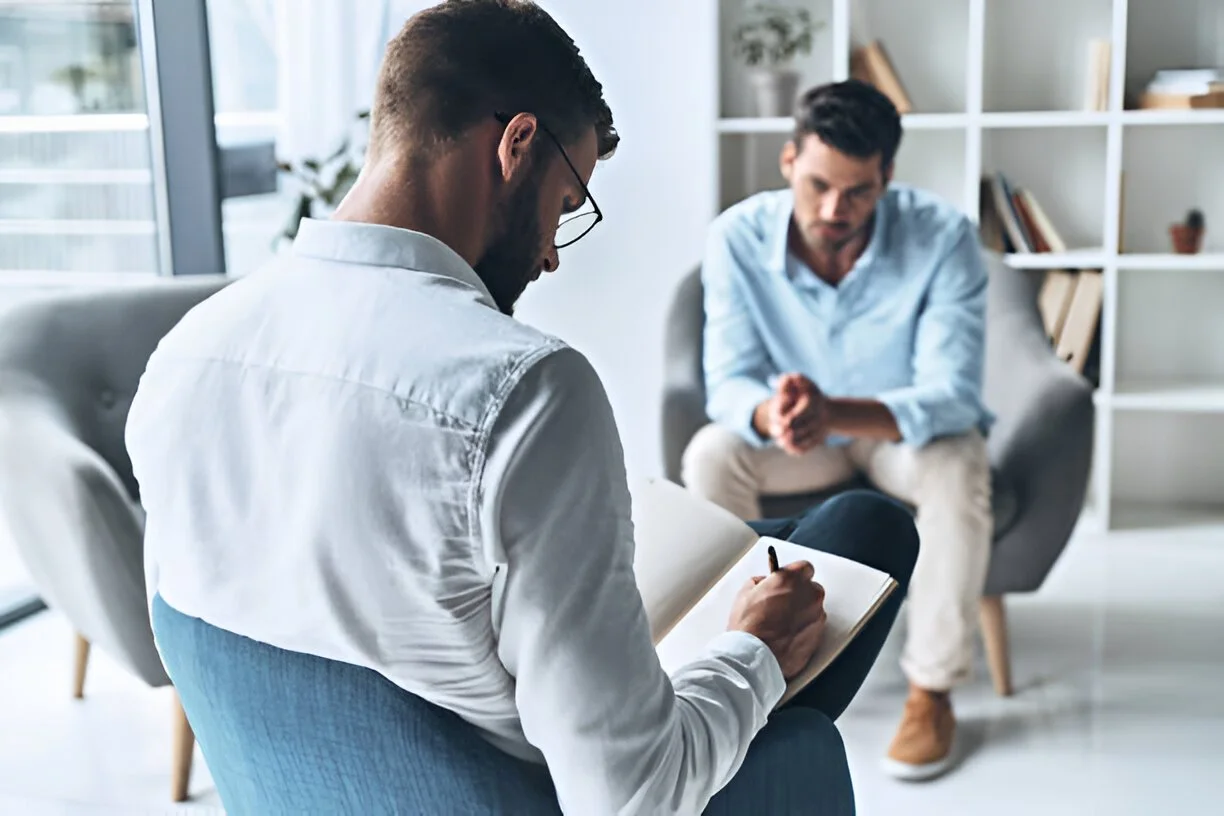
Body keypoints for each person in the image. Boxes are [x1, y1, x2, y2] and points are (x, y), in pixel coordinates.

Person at [126, 3, 916, 813]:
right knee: (862, 541)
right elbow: (630, 796)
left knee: (838, 530)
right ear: (516, 146)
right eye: (566, 207)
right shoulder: (522, 391)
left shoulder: (188, 352)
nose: (546, 253)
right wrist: (753, 652)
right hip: (549, 786)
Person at [682, 79, 995, 782]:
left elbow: (952, 396)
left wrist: (836, 412)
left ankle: (932, 690)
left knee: (959, 464)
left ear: (886, 176)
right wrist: (774, 413)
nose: (834, 209)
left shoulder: (944, 237)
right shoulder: (736, 236)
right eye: (819, 183)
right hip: (794, 442)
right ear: (789, 160)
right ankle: (716, 661)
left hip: (895, 437)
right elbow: (728, 381)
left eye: (857, 191)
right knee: (711, 454)